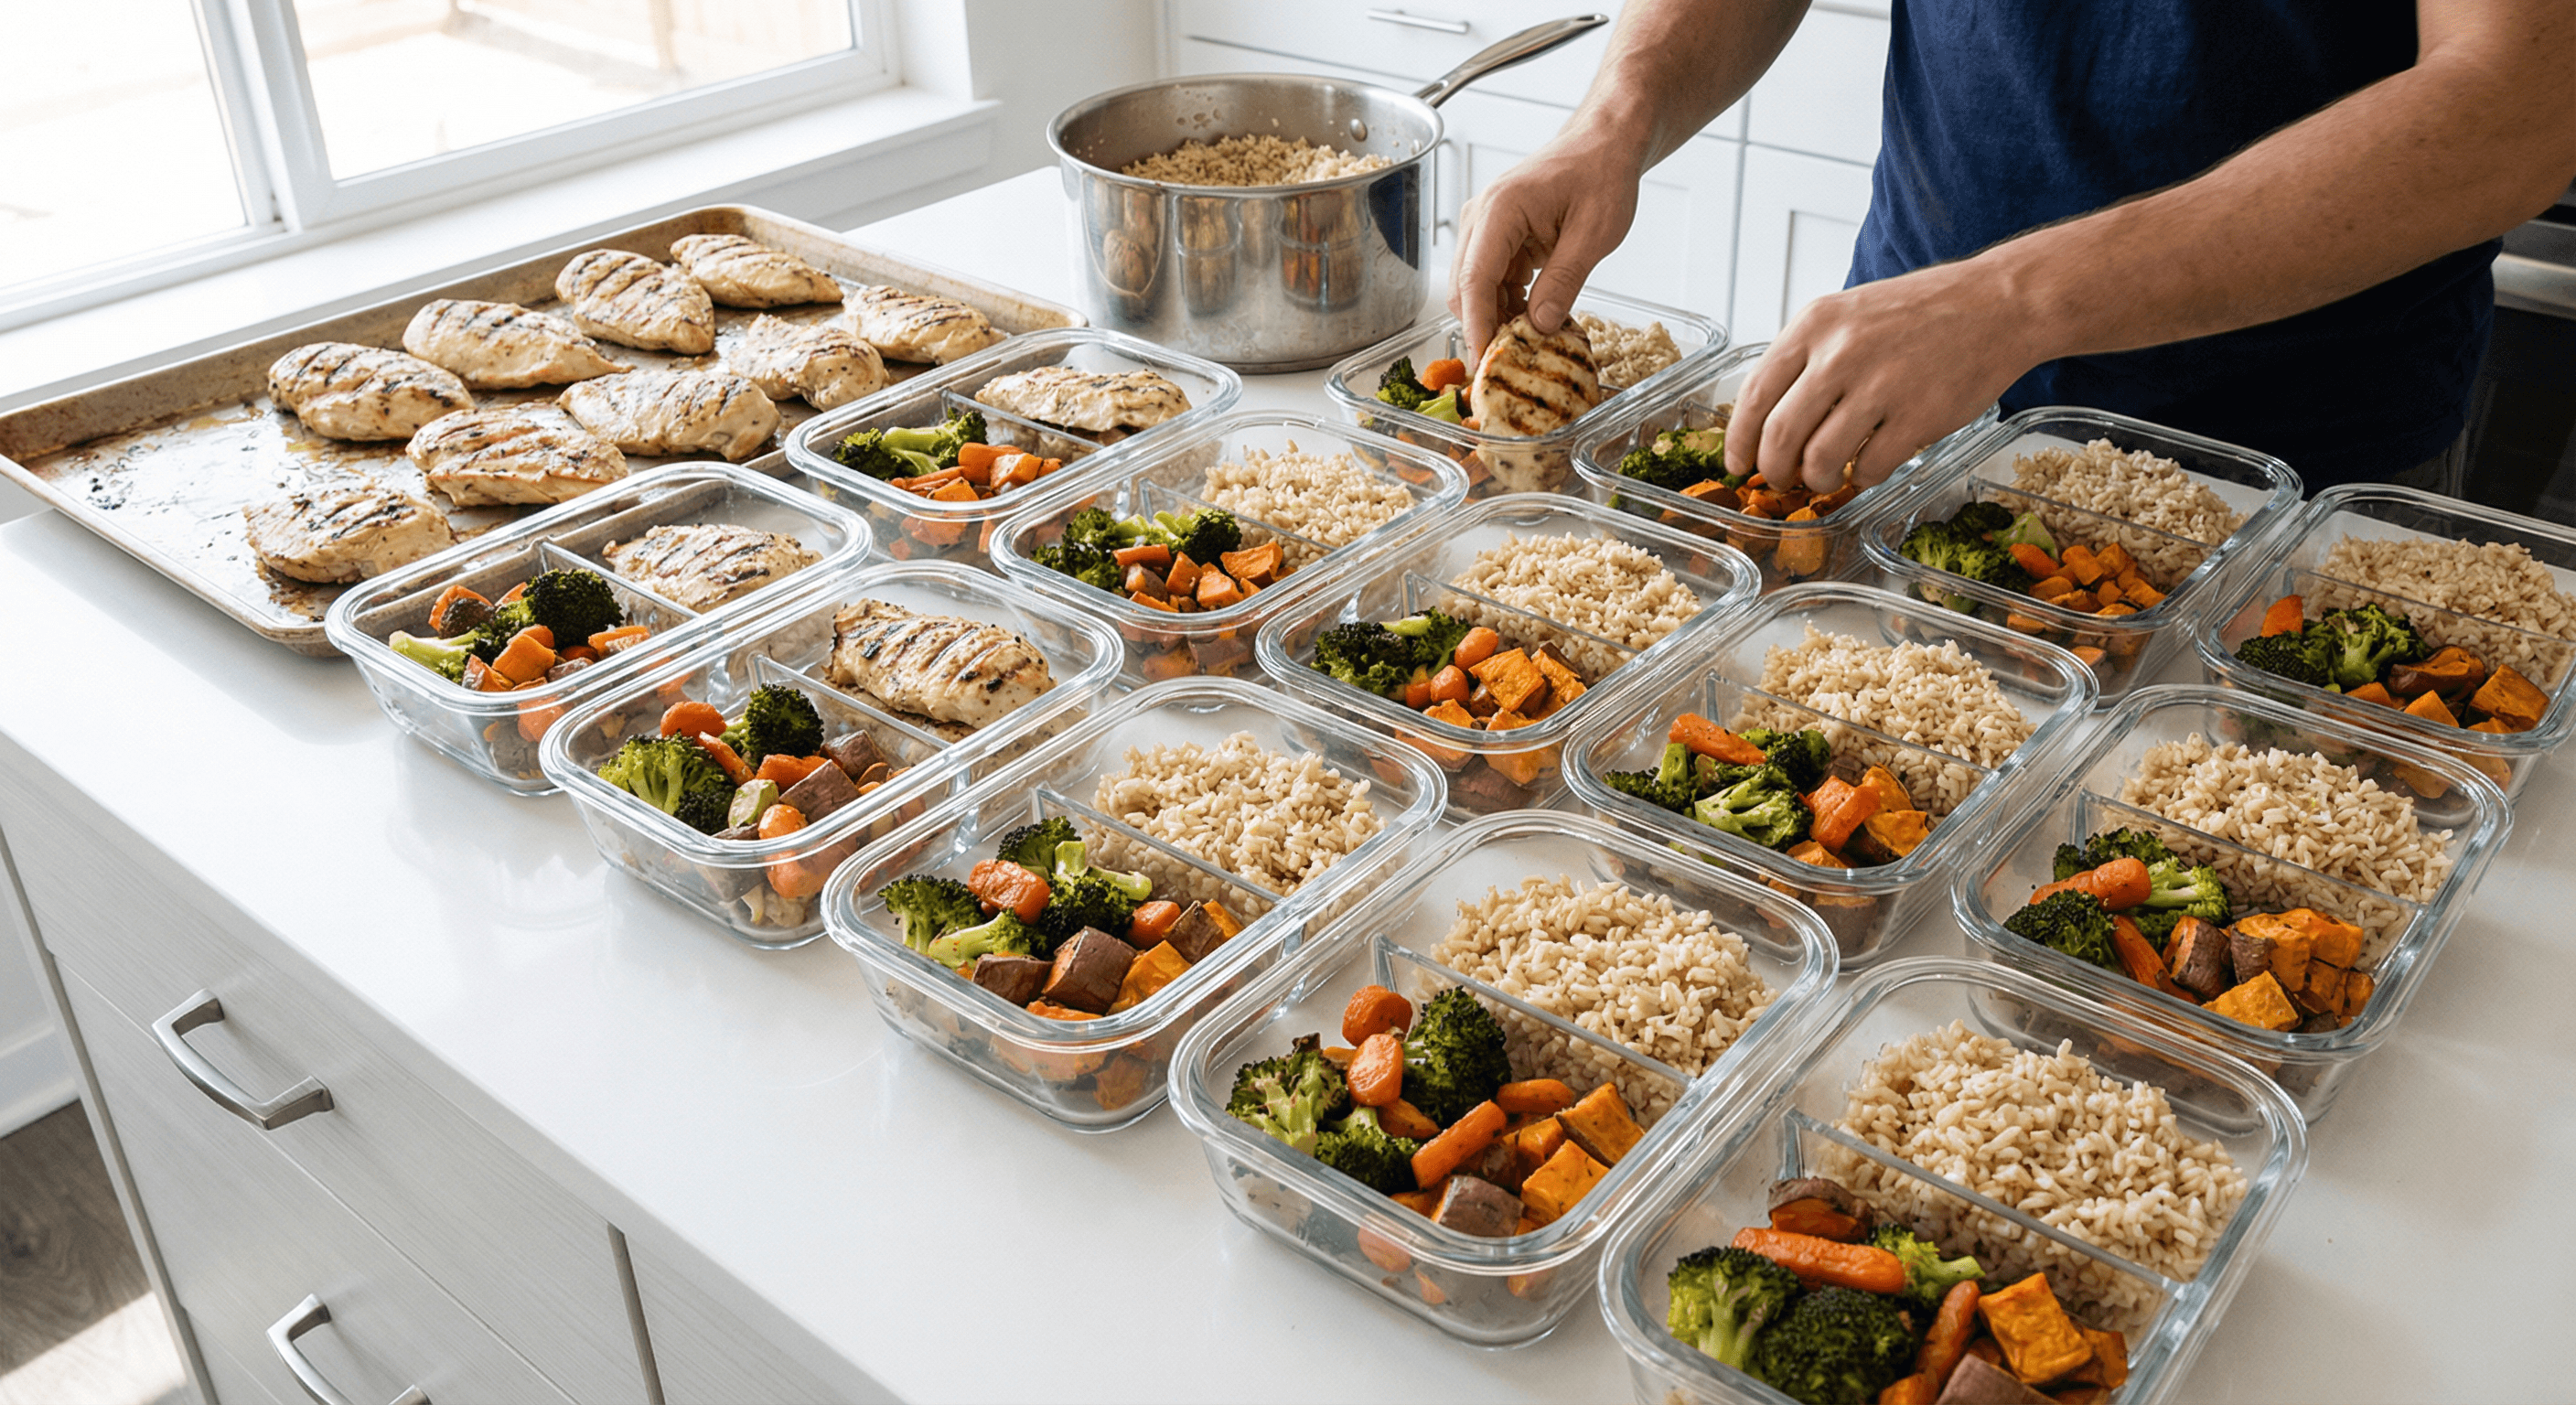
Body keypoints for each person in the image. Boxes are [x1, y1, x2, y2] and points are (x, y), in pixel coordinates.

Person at [1452, 0, 2576, 495]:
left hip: (2289, 459)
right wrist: (1616, 116)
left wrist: (2014, 298)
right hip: (1893, 413)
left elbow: (2519, 105)